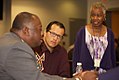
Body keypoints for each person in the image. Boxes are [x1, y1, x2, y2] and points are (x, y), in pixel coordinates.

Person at [0, 12, 98, 80]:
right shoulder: (18, 48)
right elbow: (37, 78)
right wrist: (78, 79)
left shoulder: (7, 39)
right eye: (39, 29)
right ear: (26, 30)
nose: (41, 33)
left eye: (59, 36)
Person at [72, 2, 116, 74]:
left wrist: (114, 74)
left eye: (98, 15)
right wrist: (75, 73)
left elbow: (112, 56)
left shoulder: (110, 33)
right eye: (93, 15)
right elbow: (76, 55)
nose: (95, 18)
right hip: (85, 74)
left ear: (104, 16)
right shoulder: (82, 32)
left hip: (105, 74)